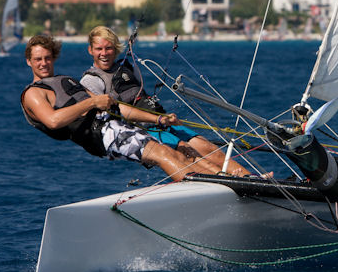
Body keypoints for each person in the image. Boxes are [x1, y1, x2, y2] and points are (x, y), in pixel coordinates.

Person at [20, 35, 221, 181]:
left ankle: (219, 182)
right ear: (29, 61)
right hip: (99, 135)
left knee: (174, 153)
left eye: (47, 58)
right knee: (163, 155)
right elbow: (53, 121)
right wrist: (91, 102)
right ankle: (202, 188)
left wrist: (158, 119)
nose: (44, 63)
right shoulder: (33, 93)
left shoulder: (66, 80)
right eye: (38, 59)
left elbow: (115, 108)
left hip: (113, 124)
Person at [80, 26, 252, 176]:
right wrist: (157, 119)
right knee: (188, 152)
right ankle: (228, 181)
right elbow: (110, 113)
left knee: (208, 148)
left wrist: (162, 119)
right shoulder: (91, 80)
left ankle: (250, 178)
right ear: (90, 50)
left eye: (108, 48)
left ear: (115, 49)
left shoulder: (124, 67)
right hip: (140, 130)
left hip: (162, 121)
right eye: (99, 49)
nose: (104, 53)